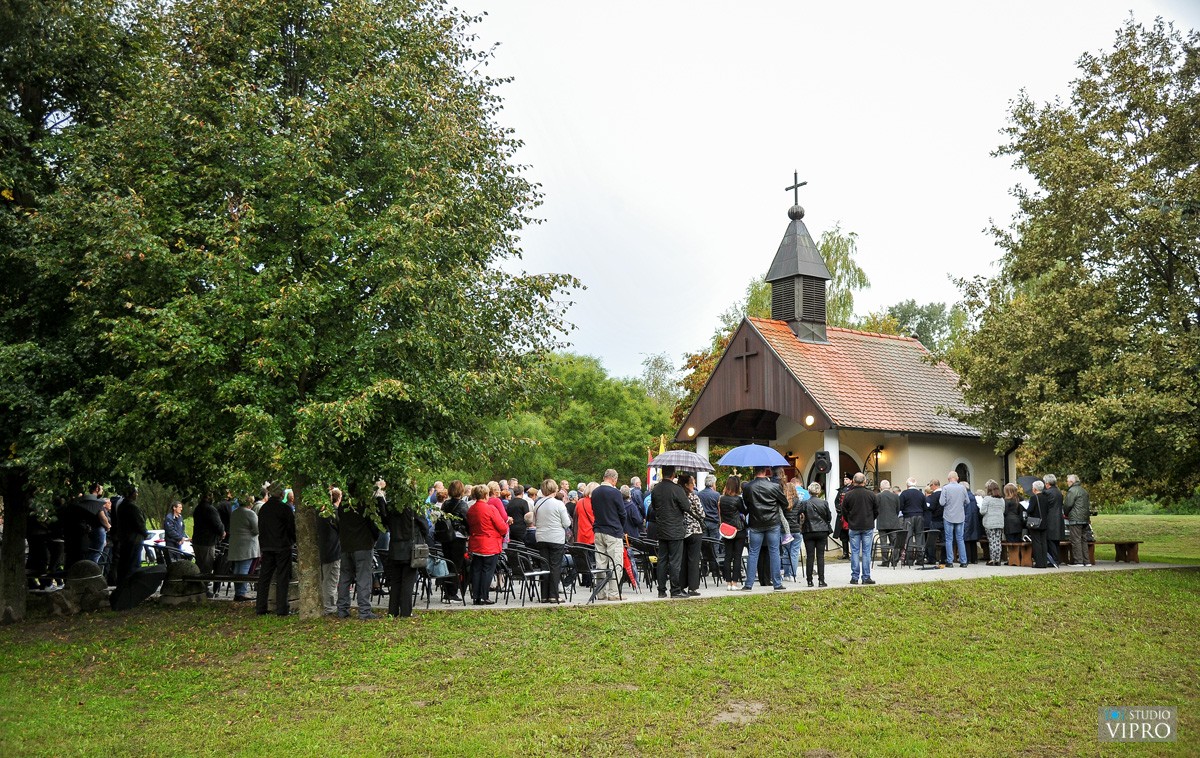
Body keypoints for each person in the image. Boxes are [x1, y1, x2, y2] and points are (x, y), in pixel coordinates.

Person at [739, 466, 786, 592]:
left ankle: (748, 584)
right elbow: (785, 503)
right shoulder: (775, 487)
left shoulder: (748, 487)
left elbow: (747, 504)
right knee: (774, 552)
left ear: (755, 471)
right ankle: (777, 583)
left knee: (753, 553)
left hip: (755, 523)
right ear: (766, 472)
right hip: (772, 522)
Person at [336, 488, 380, 620]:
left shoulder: (343, 505)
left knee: (344, 578)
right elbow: (373, 525)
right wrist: (374, 538)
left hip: (346, 545)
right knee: (363, 578)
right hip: (363, 545)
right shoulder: (364, 503)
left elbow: (339, 523)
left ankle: (342, 609)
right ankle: (364, 611)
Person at [384, 497, 431, 618]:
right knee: (408, 581)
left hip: (395, 547)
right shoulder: (414, 507)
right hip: (410, 549)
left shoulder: (390, 507)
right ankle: (406, 611)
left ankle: (392, 610)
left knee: (395, 581)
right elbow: (425, 526)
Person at [650, 466, 690, 598]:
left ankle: (661, 590)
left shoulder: (656, 489)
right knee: (675, 561)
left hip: (661, 528)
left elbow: (654, 507)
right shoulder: (677, 489)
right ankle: (675, 589)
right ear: (673, 474)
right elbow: (686, 507)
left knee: (662, 560)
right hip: (676, 530)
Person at [466, 483, 509, 605]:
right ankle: (484, 596)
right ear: (485, 495)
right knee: (487, 571)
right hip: (489, 544)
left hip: (475, 543)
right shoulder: (490, 509)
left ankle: (476, 596)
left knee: (476, 570)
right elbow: (502, 527)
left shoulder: (471, 509)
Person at [256, 485, 295, 616]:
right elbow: (291, 528)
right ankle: (282, 608)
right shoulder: (285, 509)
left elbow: (260, 527)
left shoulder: (264, 509)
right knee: (282, 577)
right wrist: (292, 541)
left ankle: (260, 607)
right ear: (281, 495)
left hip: (267, 546)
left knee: (264, 577)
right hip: (282, 546)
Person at [590, 469, 627, 602]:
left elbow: (594, 510)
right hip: (613, 531)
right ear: (613, 479)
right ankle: (613, 593)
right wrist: (620, 526)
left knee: (600, 563)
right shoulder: (615, 493)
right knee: (615, 563)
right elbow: (622, 513)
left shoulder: (595, 492)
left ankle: (600, 593)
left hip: (598, 530)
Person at [532, 479, 571, 603]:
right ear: (554, 489)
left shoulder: (537, 504)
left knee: (545, 565)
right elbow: (566, 523)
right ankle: (554, 595)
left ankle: (544, 595)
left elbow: (533, 521)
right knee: (555, 566)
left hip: (541, 537)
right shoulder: (558, 504)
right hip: (556, 538)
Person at [842, 473, 878, 585]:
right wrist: (870, 519)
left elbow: (844, 511)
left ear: (853, 481)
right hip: (867, 525)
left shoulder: (848, 495)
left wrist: (850, 520)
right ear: (865, 481)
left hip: (854, 526)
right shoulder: (871, 495)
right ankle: (866, 577)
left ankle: (855, 577)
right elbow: (876, 510)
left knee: (855, 552)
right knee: (866, 552)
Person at [437, 480, 470, 602]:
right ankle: (452, 591)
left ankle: (446, 589)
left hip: (446, 536)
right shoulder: (462, 505)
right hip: (458, 536)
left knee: (448, 562)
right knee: (457, 565)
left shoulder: (445, 504)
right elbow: (467, 520)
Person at [112, 488, 149, 586]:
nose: (137, 495)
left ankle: (123, 583)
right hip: (134, 539)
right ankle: (131, 584)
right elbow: (139, 523)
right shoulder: (132, 507)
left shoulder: (121, 506)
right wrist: (146, 534)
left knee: (125, 562)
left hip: (125, 539)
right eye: (136, 493)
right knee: (133, 563)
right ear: (132, 494)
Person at [227, 493, 260, 602]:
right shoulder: (250, 514)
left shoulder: (234, 513)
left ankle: (238, 592)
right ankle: (241, 593)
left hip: (235, 544)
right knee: (244, 569)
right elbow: (256, 530)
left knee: (237, 570)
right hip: (247, 546)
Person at [191, 495, 225, 598]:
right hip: (207, 542)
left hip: (197, 540)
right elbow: (217, 525)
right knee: (206, 566)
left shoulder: (198, 508)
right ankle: (203, 589)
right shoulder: (210, 509)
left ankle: (199, 587)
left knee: (200, 564)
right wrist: (222, 532)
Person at [678, 472, 705, 597]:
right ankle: (693, 587)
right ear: (687, 484)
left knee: (683, 559)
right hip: (695, 531)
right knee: (694, 559)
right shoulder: (693, 497)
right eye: (692, 483)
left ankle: (681, 585)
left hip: (682, 531)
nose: (693, 485)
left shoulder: (678, 496)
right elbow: (701, 513)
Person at [718, 476, 748, 590]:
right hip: (739, 530)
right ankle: (735, 582)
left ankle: (728, 582)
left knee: (727, 556)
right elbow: (744, 511)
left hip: (726, 530)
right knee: (737, 556)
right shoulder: (737, 499)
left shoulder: (721, 498)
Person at [316, 489, 343, 615]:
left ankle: (326, 605)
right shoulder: (333, 513)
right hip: (332, 551)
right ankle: (330, 607)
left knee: (326, 579)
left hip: (323, 550)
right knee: (331, 580)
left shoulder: (319, 512)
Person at [801, 482, 832, 587]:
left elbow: (798, 515)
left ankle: (809, 580)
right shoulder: (824, 503)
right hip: (822, 530)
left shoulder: (804, 503)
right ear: (819, 491)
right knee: (820, 556)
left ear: (809, 491)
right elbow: (829, 517)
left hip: (808, 530)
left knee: (810, 556)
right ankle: (821, 580)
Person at [940, 472, 968, 568]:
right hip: (960, 516)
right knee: (960, 539)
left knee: (949, 539)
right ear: (957, 478)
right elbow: (967, 501)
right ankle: (963, 561)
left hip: (948, 516)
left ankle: (950, 561)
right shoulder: (962, 488)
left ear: (948, 479)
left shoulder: (946, 488)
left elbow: (941, 502)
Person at [1064, 474, 1092, 566]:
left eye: (1067, 481)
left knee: (1075, 540)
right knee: (1084, 540)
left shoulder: (1072, 491)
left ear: (1071, 482)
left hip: (1075, 518)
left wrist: (1066, 513)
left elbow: (1068, 505)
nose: (1067, 483)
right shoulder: (1083, 491)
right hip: (1085, 518)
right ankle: (1086, 561)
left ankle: (1078, 561)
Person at [977, 480, 1006, 566]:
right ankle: (998, 559)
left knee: (992, 541)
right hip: (1000, 522)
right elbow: (1003, 510)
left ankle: (992, 559)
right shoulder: (1001, 499)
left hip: (990, 522)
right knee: (998, 541)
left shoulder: (987, 499)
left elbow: (982, 511)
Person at [779, 474, 803, 580]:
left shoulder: (783, 502)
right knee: (794, 553)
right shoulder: (798, 502)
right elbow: (801, 515)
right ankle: (794, 574)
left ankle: (787, 574)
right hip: (797, 529)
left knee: (785, 552)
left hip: (785, 530)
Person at [875, 479, 903, 567]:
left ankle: (885, 561)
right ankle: (894, 561)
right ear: (889, 487)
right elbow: (898, 509)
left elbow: (875, 509)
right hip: (894, 522)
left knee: (883, 543)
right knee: (894, 542)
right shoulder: (895, 496)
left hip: (882, 522)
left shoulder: (878, 496)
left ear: (880, 488)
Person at [899, 478, 926, 566]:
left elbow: (900, 506)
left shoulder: (904, 493)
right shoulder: (920, 494)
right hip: (920, 516)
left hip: (908, 517)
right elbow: (925, 507)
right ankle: (920, 559)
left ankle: (909, 559)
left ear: (907, 485)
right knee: (920, 537)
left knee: (909, 537)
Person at [1042, 474, 1065, 567]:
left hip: (1050, 518)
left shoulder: (1047, 493)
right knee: (1056, 541)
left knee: (1050, 540)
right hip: (1058, 518)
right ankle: (1056, 559)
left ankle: (1053, 560)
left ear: (1047, 483)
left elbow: (1045, 506)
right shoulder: (1059, 492)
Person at [1026, 480, 1050, 568]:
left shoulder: (1034, 498)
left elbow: (1030, 510)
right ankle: (1044, 562)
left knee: (1036, 543)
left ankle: (1039, 563)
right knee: (1044, 542)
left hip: (1035, 523)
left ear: (1035, 489)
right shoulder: (1046, 497)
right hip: (1044, 522)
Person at [925, 479, 944, 565]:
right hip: (944, 520)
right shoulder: (944, 493)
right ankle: (944, 558)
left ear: (934, 485)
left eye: (930, 485)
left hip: (935, 520)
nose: (930, 487)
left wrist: (927, 507)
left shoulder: (934, 495)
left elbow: (931, 507)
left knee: (931, 540)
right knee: (944, 540)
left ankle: (932, 558)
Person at [698, 474, 721, 543]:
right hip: (714, 522)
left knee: (705, 544)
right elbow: (719, 509)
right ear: (713, 483)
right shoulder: (716, 494)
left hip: (704, 521)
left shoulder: (699, 494)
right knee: (715, 544)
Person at [963, 485, 982, 565]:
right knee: (973, 541)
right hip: (974, 521)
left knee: (966, 540)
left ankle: (968, 558)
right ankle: (974, 559)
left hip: (967, 520)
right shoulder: (975, 497)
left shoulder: (965, 498)